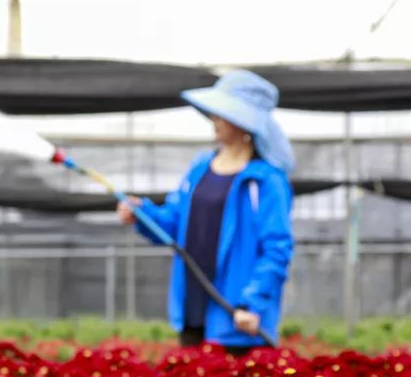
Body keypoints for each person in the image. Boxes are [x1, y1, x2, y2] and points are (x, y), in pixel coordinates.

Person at [117, 69, 295, 355]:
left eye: (222, 112)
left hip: (237, 317)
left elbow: (277, 249)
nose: (214, 118)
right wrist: (142, 214)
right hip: (193, 307)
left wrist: (252, 303)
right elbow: (174, 224)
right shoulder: (200, 168)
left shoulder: (266, 181)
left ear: (243, 121)